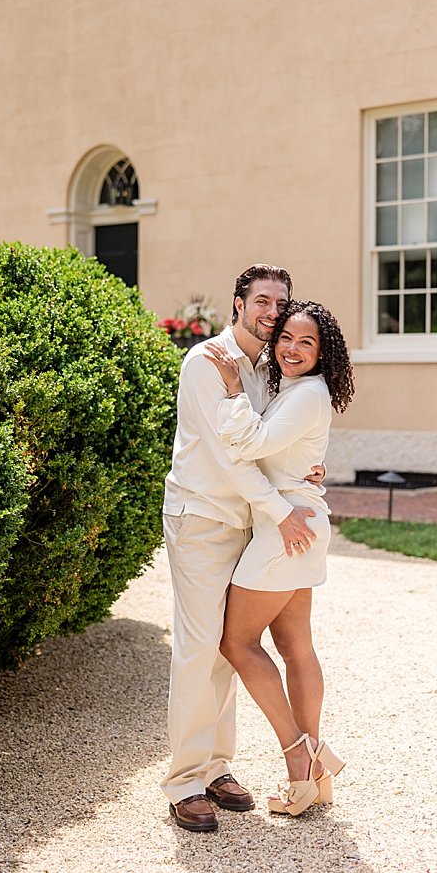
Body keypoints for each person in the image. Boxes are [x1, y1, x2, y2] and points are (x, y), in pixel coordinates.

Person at [160, 266, 323, 835]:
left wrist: (306, 473)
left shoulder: (272, 370)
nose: (272, 310)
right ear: (238, 303)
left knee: (231, 647)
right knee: (200, 646)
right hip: (202, 519)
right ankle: (183, 781)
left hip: (247, 526)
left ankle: (216, 767)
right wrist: (285, 513)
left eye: (280, 301)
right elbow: (234, 459)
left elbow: (271, 445)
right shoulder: (207, 362)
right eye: (262, 300)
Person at [205, 299, 356, 817]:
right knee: (295, 646)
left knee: (238, 641)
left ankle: (298, 758)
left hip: (286, 528)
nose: (293, 348)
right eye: (286, 337)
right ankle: (312, 765)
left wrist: (229, 391)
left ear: (323, 351)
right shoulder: (293, 388)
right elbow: (287, 451)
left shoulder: (307, 393)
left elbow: (253, 443)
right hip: (302, 519)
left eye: (306, 342)